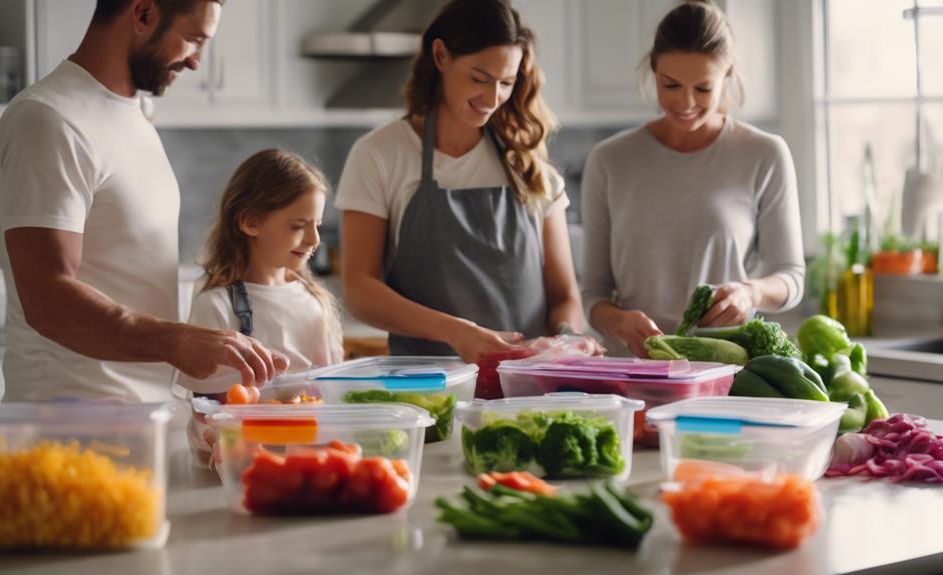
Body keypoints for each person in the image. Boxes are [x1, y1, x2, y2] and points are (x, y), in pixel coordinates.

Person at [0, 0, 285, 402]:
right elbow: (48, 297)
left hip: (140, 418)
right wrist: (178, 341)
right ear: (143, 14)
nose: (197, 61)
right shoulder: (49, 119)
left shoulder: (136, 113)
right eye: (193, 39)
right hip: (67, 423)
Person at [336, 0, 584, 364]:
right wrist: (455, 331)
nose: (492, 97)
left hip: (526, 389)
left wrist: (567, 339)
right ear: (440, 56)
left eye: (506, 83)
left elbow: (564, 296)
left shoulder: (527, 162)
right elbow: (359, 290)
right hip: (427, 388)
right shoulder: (379, 154)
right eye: (479, 78)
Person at [581, 0, 806, 357]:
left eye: (703, 88)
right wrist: (619, 323)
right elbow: (593, 294)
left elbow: (791, 278)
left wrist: (750, 292)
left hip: (730, 371)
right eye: (670, 85)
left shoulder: (764, 154)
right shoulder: (610, 159)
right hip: (636, 372)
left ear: (727, 76)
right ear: (653, 71)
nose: (685, 102)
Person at [177, 149, 343, 469]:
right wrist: (222, 442)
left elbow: (330, 393)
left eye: (317, 224)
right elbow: (203, 409)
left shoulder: (315, 302)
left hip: (307, 459)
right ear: (251, 222)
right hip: (239, 468)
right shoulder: (217, 306)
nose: (314, 239)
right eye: (298, 225)